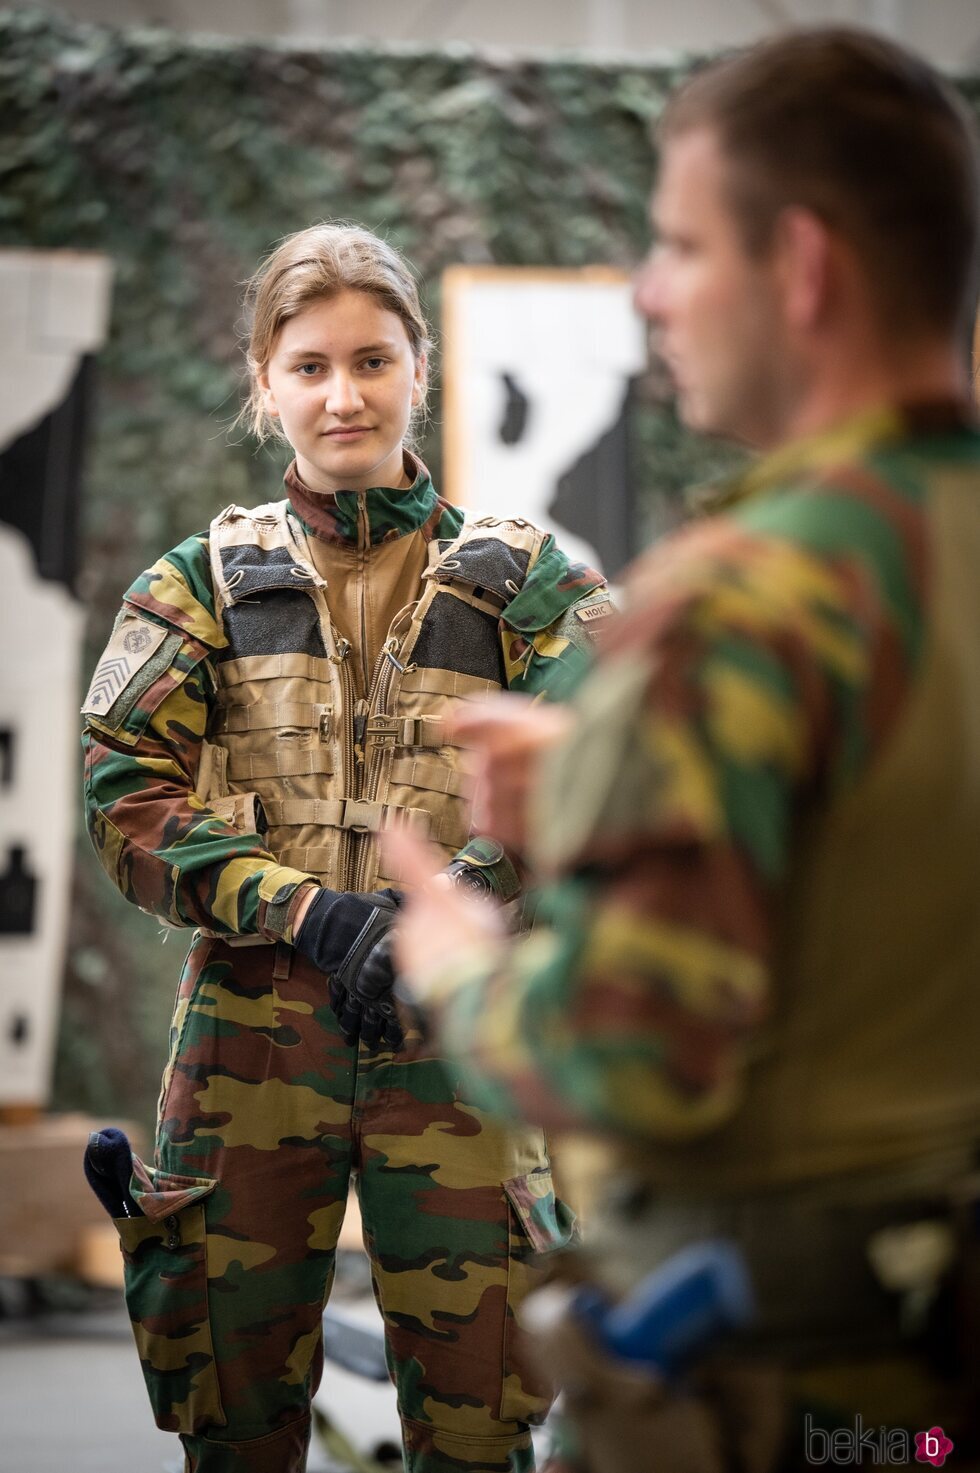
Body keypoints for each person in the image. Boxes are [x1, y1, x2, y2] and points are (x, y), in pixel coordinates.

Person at [386, 27, 980, 1471]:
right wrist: (602, 779)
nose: (649, 291)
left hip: (778, 1389)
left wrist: (459, 958)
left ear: (803, 265)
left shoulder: (750, 599)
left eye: (679, 244)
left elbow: (631, 1055)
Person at [81, 221, 611, 1473]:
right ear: (263, 384)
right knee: (237, 1422)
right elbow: (123, 795)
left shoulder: (528, 585)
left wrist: (460, 900)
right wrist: (305, 913)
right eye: (309, 365)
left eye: (372, 361)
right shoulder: (197, 584)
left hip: (467, 1047)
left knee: (483, 1429)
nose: (344, 395)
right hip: (249, 1054)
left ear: (417, 368)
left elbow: (608, 777)